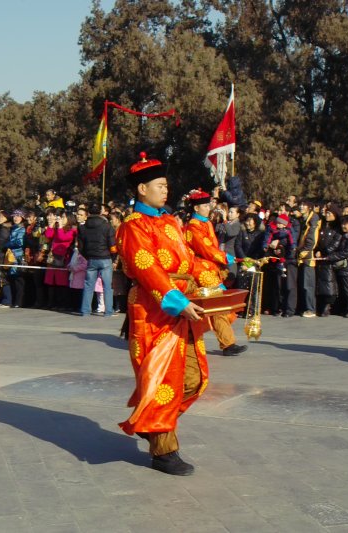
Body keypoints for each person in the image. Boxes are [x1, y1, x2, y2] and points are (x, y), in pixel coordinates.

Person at [116, 152, 214, 476]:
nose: (165, 190)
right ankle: (163, 450)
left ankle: (153, 421)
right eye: (159, 185)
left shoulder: (170, 221)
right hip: (154, 309)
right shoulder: (134, 226)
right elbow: (148, 270)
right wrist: (176, 301)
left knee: (194, 378)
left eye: (166, 185)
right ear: (141, 189)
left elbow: (188, 261)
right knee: (163, 381)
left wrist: (213, 283)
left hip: (183, 306)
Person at [184, 189, 247, 356]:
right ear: (196, 208)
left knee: (217, 306)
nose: (208, 208)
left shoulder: (206, 223)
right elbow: (205, 249)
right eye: (205, 205)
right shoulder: (193, 227)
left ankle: (227, 343)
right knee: (216, 304)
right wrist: (226, 258)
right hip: (199, 270)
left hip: (210, 268)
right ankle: (225, 343)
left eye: (208, 204)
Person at [78, 203, 116, 317]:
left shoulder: (83, 227)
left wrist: (87, 256)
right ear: (100, 212)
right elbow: (113, 245)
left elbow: (80, 247)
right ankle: (108, 311)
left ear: (88, 212)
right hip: (105, 258)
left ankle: (85, 311)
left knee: (89, 285)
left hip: (91, 259)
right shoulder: (107, 226)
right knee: (107, 286)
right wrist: (112, 257)